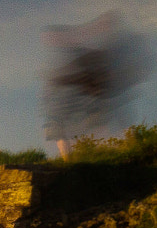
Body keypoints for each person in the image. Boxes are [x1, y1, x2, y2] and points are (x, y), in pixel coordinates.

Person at [44, 12, 147, 158]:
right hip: (92, 97)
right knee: (99, 123)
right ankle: (80, 157)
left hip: (101, 95)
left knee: (107, 122)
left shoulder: (104, 48)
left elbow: (86, 70)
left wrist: (62, 79)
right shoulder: (96, 49)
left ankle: (130, 150)